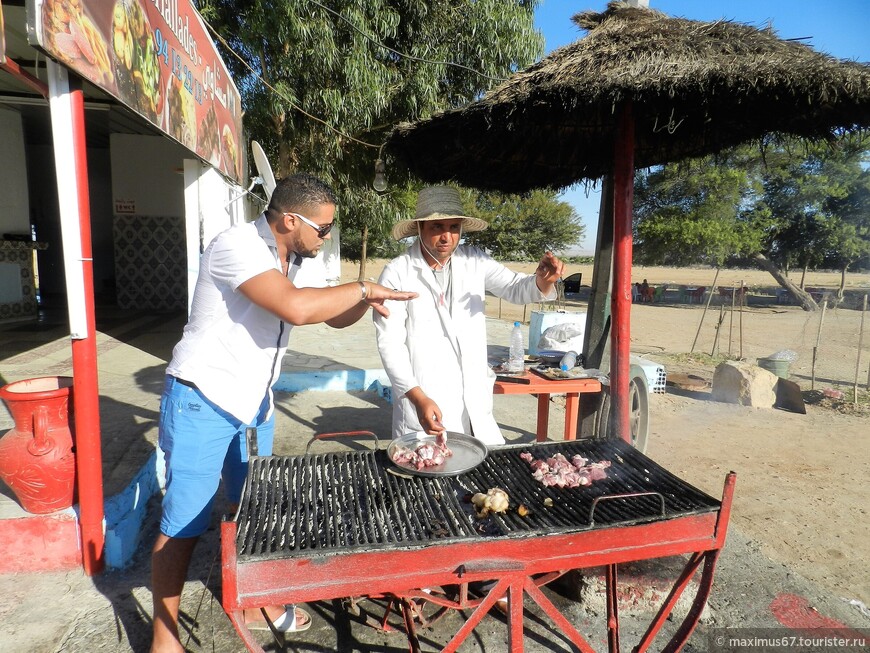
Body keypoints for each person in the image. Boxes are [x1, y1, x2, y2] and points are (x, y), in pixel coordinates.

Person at [150, 173, 416, 653]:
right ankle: (164, 639)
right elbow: (295, 309)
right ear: (289, 219)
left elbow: (331, 313)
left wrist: (366, 299)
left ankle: (254, 602)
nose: (326, 236)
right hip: (203, 398)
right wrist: (362, 287)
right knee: (183, 522)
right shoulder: (236, 246)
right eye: (322, 228)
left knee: (255, 508)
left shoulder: (293, 256)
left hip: (255, 402)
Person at [373, 185, 564, 447]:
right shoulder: (398, 273)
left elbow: (514, 288)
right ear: (419, 229)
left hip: (473, 399)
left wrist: (542, 281)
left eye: (453, 227)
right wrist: (417, 396)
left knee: (479, 472)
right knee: (429, 474)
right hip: (424, 396)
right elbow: (390, 344)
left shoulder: (474, 261)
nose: (446, 236)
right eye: (437, 227)